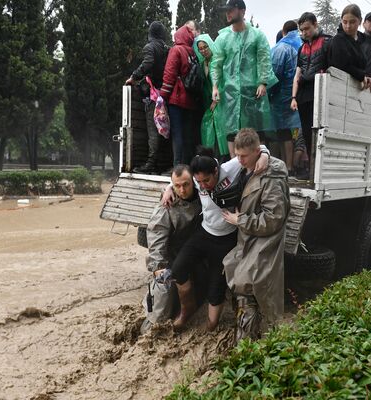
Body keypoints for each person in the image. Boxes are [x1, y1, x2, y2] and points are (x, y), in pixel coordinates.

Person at [162, 145, 270, 331]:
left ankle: (211, 325)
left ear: (216, 171)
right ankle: (187, 310)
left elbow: (257, 147)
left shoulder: (229, 168)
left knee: (216, 289)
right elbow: (181, 178)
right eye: (199, 182)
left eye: (207, 180)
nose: (203, 185)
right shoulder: (197, 180)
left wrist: (265, 156)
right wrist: (168, 188)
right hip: (204, 234)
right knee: (178, 269)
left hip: (227, 240)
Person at [222, 128, 290, 341]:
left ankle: (249, 345)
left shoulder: (272, 173)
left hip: (265, 241)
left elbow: (273, 220)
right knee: (233, 273)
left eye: (243, 156)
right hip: (249, 239)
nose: (238, 159)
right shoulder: (246, 166)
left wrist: (239, 220)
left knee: (247, 287)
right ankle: (250, 338)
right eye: (236, 154)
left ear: (256, 151)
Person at [211, 0, 278, 157]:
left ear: (242, 11)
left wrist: (262, 82)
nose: (228, 13)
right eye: (226, 10)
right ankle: (236, 166)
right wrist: (215, 86)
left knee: (255, 130)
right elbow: (216, 64)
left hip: (253, 91)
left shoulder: (257, 35)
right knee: (231, 129)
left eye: (231, 10)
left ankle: (258, 164)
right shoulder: (223, 38)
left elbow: (264, 59)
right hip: (229, 92)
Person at [141, 164, 202, 332]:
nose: (182, 190)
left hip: (198, 254)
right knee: (163, 291)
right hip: (172, 257)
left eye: (186, 185)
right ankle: (152, 326)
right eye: (177, 186)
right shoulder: (167, 204)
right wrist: (158, 267)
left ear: (193, 182)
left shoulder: (204, 195)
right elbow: (156, 237)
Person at [125, 21, 170, 174]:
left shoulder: (150, 47)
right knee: (164, 129)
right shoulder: (167, 49)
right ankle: (163, 163)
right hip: (166, 94)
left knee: (153, 129)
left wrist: (134, 76)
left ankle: (150, 164)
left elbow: (148, 63)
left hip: (154, 96)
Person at [291, 12, 331, 177]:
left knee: (320, 131)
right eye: (302, 30)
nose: (304, 33)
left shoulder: (327, 42)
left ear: (315, 24)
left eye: (307, 28)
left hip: (321, 90)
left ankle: (322, 169)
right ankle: (311, 168)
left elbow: (332, 67)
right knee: (307, 132)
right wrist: (293, 97)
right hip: (304, 94)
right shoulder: (302, 48)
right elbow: (298, 74)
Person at [160, 24, 198, 166]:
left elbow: (169, 75)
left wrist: (163, 96)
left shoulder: (176, 50)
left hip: (176, 100)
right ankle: (187, 166)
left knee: (177, 133)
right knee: (188, 135)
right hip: (191, 101)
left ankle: (177, 167)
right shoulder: (192, 52)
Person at [269, 20, 302, 175]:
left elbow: (274, 74)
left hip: (282, 96)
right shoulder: (302, 44)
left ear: (283, 32)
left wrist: (269, 93)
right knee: (291, 134)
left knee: (283, 133)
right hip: (298, 94)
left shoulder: (281, 48)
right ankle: (290, 166)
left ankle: (287, 167)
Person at [194, 34, 229, 161]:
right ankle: (211, 157)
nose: (203, 50)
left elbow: (224, 81)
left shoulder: (218, 60)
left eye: (205, 47)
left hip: (221, 99)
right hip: (209, 101)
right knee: (208, 128)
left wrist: (216, 99)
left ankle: (224, 157)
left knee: (220, 128)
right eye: (200, 48)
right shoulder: (202, 63)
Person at [327, 4, 368, 87]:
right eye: (345, 22)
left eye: (352, 22)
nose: (348, 26)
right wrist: (361, 75)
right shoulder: (338, 40)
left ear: (360, 21)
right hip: (339, 86)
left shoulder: (364, 41)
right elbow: (341, 65)